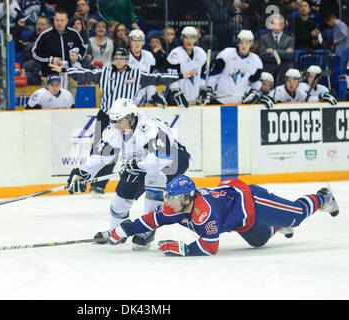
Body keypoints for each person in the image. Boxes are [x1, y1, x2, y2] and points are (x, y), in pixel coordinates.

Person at [49, 47, 196, 194]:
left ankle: (115, 182)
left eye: (122, 58)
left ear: (126, 60)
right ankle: (94, 181)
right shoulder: (104, 72)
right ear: (113, 59)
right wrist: (64, 70)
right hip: (106, 116)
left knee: (131, 151)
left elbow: (158, 78)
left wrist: (181, 75)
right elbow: (85, 75)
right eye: (117, 58)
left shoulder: (137, 74)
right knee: (101, 150)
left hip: (128, 119)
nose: (119, 61)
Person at [107, 174, 339, 256]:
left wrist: (184, 249)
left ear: (187, 198)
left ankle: (322, 198)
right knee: (259, 241)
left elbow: (210, 247)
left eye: (173, 199)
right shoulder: (175, 206)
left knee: (295, 215)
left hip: (254, 203)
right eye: (168, 198)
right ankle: (278, 226)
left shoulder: (203, 212)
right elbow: (150, 220)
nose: (168, 203)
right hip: (240, 220)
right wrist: (121, 231)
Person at [67, 98, 191, 250]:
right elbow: (101, 155)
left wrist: (139, 166)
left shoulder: (147, 128)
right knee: (121, 197)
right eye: (115, 121)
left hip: (175, 157)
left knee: (154, 179)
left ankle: (147, 230)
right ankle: (115, 231)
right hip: (143, 159)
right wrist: (85, 173)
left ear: (132, 118)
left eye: (122, 121)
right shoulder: (115, 128)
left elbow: (163, 155)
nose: (118, 125)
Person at [202, 30, 263, 105]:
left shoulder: (256, 60)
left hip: (241, 102)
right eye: (242, 42)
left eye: (247, 43)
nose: (244, 46)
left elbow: (255, 80)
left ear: (251, 44)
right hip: (221, 100)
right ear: (238, 43)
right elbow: (215, 74)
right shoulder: (226, 54)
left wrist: (254, 91)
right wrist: (210, 88)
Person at [31, 7, 87, 88]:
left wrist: (77, 56)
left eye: (62, 20)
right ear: (54, 20)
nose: (59, 23)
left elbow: (83, 49)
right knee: (50, 100)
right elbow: (35, 53)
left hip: (70, 76)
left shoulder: (74, 34)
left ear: (67, 20)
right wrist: (51, 59)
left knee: (69, 100)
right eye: (57, 20)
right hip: (49, 77)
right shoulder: (45, 35)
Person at [165, 26, 208, 105]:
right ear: (182, 39)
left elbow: (202, 75)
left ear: (195, 39)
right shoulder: (175, 54)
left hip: (196, 99)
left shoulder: (201, 53)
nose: (189, 41)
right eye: (186, 38)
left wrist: (203, 89)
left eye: (192, 38)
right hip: (178, 102)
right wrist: (176, 92)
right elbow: (171, 77)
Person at [127, 29, 165, 107]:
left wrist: (152, 94)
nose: (137, 43)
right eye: (134, 40)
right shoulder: (123, 56)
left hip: (144, 96)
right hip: (127, 94)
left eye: (139, 40)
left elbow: (151, 76)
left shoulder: (148, 55)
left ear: (143, 42)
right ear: (129, 41)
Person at [12, 15, 51, 85]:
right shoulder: (29, 40)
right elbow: (14, 43)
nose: (39, 26)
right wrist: (19, 27)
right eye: (38, 24)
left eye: (42, 24)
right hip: (31, 74)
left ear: (48, 26)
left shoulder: (54, 41)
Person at [258, 13, 295, 86]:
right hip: (268, 67)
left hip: (284, 67)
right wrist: (283, 53)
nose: (277, 26)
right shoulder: (263, 38)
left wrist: (272, 51)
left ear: (283, 25)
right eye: (275, 24)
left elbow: (290, 56)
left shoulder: (290, 39)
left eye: (280, 24)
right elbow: (262, 55)